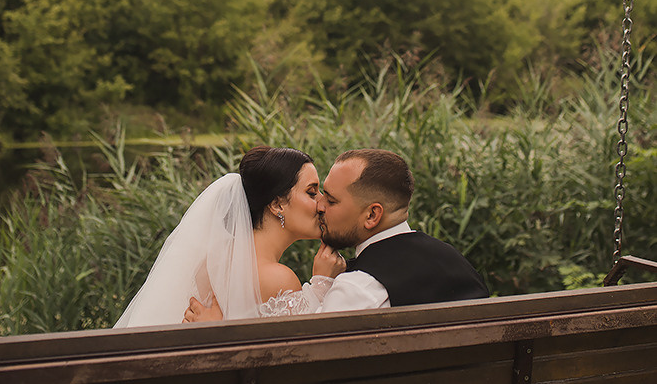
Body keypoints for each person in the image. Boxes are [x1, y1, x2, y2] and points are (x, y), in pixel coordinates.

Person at [114, 145, 344, 328]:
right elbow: (291, 362)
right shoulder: (278, 279)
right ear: (276, 204)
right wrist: (320, 287)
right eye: (312, 192)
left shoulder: (212, 262)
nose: (322, 204)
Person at [315, 148, 489, 310]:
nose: (319, 206)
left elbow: (314, 342)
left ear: (372, 215)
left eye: (331, 201)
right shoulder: (456, 262)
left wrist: (320, 283)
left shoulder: (358, 289)